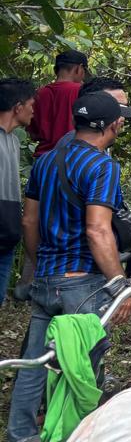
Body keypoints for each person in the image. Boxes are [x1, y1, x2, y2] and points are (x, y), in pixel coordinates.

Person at [6, 92, 131, 442]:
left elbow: (29, 221)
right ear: (113, 125)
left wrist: (41, 263)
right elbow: (98, 230)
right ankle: (78, 434)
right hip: (82, 285)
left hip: (47, 278)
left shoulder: (46, 161)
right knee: (83, 367)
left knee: (33, 364)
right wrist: (119, 283)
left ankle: (21, 434)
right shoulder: (102, 166)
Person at [0, 79, 35, 305]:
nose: (33, 111)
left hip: (7, 235)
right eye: (31, 105)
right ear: (18, 107)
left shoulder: (13, 141)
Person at [28, 50, 89, 158]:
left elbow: (33, 134)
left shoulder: (39, 93)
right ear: (79, 68)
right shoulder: (82, 91)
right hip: (72, 157)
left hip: (43, 158)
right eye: (84, 71)